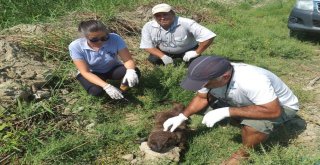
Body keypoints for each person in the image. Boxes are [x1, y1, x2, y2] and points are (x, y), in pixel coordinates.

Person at [163, 56, 299, 164]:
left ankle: (242, 155)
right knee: (201, 108)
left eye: (204, 84)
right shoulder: (210, 75)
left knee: (256, 125)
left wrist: (227, 111)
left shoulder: (251, 80)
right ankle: (237, 118)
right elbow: (201, 98)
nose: (202, 86)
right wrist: (182, 116)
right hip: (242, 101)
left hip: (280, 107)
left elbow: (274, 111)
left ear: (226, 77)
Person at [69, 20, 140, 99]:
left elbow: (128, 60)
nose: (100, 41)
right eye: (94, 39)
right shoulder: (75, 46)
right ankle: (108, 95)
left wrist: (130, 71)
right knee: (96, 91)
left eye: (104, 38)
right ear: (85, 37)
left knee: (135, 72)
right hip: (92, 72)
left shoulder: (115, 38)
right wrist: (106, 86)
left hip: (112, 68)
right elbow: (85, 72)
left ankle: (122, 91)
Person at [140, 3, 216, 65]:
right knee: (153, 59)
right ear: (154, 17)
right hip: (164, 51)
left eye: (165, 14)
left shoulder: (187, 23)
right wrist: (162, 56)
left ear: (173, 14)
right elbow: (147, 45)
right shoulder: (148, 26)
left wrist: (196, 52)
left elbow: (209, 36)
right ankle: (167, 66)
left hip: (187, 49)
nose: (162, 18)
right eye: (158, 15)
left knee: (196, 63)